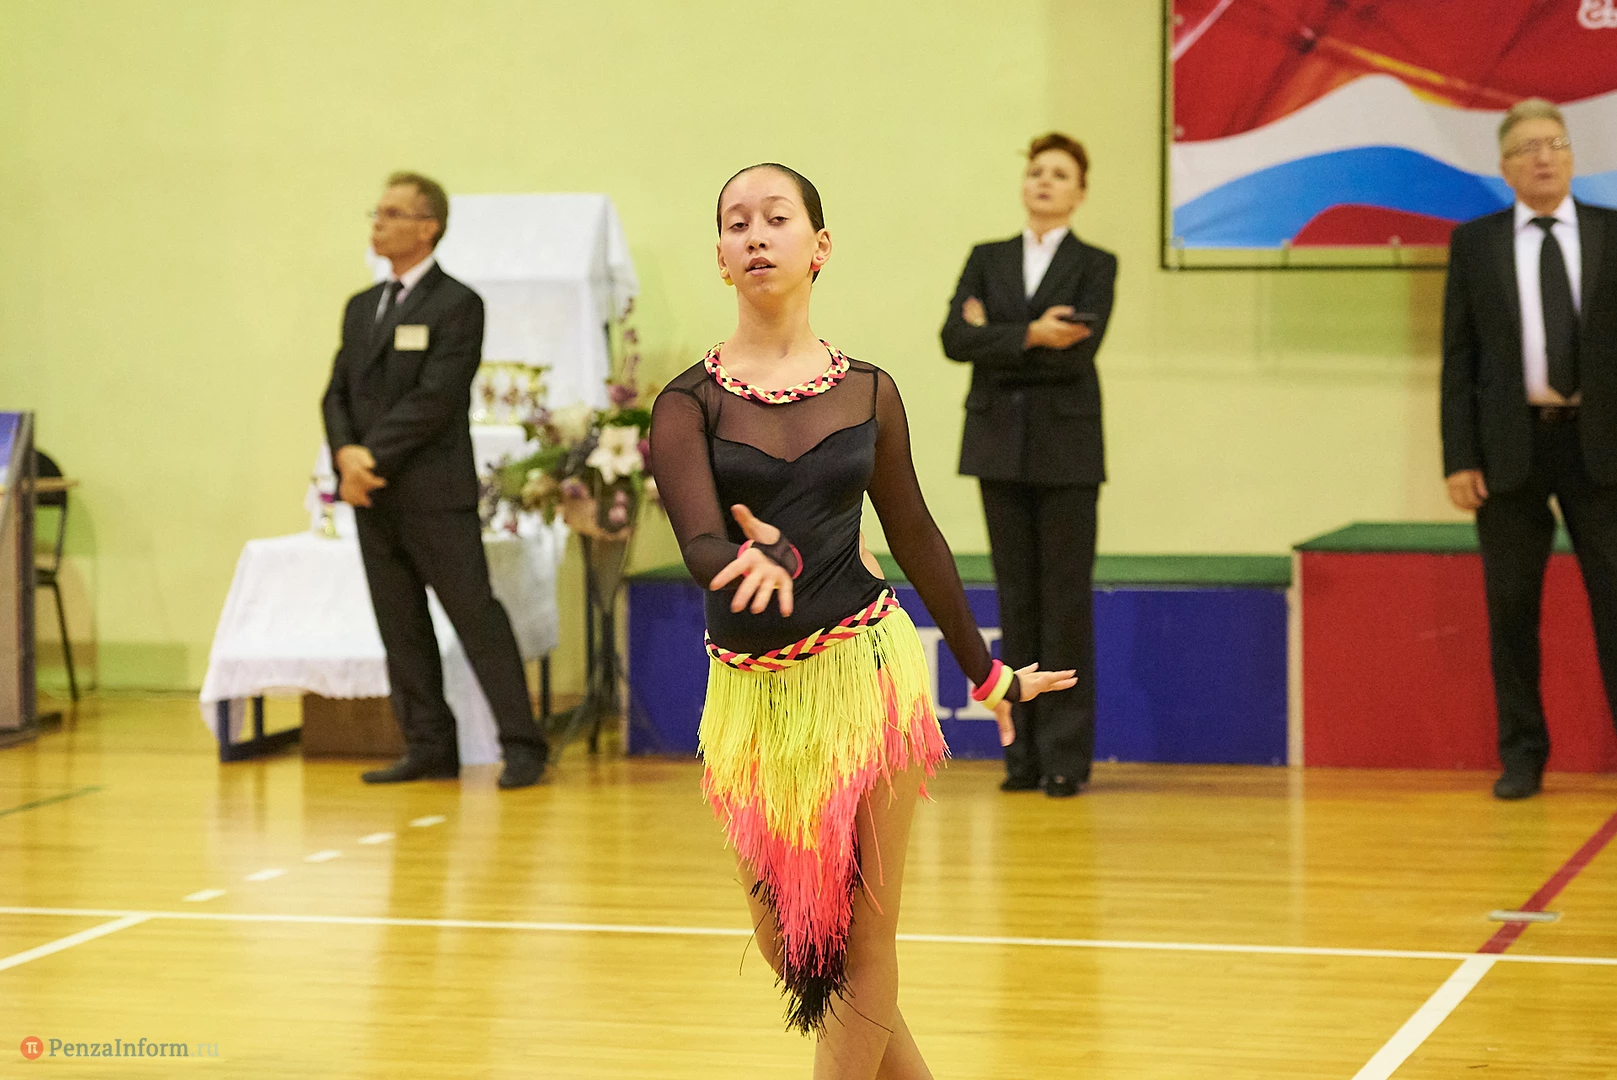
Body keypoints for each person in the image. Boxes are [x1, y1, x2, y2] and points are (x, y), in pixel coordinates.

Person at [650, 163, 1074, 1077]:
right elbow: (697, 538)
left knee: (864, 936)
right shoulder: (686, 403)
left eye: (775, 218)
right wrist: (737, 561)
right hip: (751, 699)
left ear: (819, 246)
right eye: (736, 223)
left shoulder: (869, 391)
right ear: (720, 258)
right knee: (792, 947)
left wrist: (986, 670)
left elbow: (913, 532)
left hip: (864, 673)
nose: (755, 235)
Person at [321, 171, 547, 789]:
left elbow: (436, 398)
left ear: (429, 227)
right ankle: (428, 746)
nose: (378, 223)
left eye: (392, 213)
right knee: (401, 626)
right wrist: (345, 454)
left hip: (433, 494)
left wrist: (368, 458)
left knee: (476, 619)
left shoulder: (457, 304)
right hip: (373, 495)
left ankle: (522, 746)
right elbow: (336, 393)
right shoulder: (361, 307)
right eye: (376, 212)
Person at [1441, 99, 1617, 800]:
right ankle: (1521, 756)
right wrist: (1459, 457)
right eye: (1526, 149)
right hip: (1509, 449)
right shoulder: (1475, 244)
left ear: (1571, 156)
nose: (1543, 157)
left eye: (1554, 144)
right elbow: (1459, 359)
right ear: (1505, 167)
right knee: (1511, 611)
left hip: (1601, 447)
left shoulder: (1610, 233)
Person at [939, 133, 1117, 798]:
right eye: (1036, 171)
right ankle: (1021, 757)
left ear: (1080, 192)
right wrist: (1033, 332)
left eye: (1059, 174)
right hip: (997, 446)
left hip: (1068, 451)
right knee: (1014, 602)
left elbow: (1076, 352)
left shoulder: (1096, 264)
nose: (1043, 181)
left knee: (1064, 604)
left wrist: (997, 336)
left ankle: (1064, 757)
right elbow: (954, 338)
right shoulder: (986, 257)